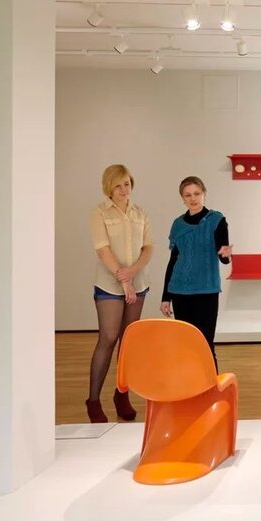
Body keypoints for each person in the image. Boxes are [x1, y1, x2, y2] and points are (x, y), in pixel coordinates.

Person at [87, 164, 154, 423]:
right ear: (109, 187)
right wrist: (124, 279)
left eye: (127, 183)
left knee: (128, 342)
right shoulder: (99, 212)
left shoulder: (140, 213)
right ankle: (93, 400)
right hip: (109, 284)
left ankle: (121, 395)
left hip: (138, 282)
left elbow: (148, 248)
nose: (124, 189)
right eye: (118, 185)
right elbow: (102, 249)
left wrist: (133, 272)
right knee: (108, 337)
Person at [160, 177, 232, 369]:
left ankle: (211, 385)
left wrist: (226, 255)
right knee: (185, 344)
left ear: (204, 194)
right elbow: (173, 261)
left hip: (206, 291)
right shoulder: (178, 224)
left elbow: (223, 257)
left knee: (206, 343)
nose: (193, 198)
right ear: (182, 198)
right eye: (188, 195)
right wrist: (165, 297)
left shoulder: (217, 220)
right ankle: (188, 384)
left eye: (197, 194)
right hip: (180, 291)